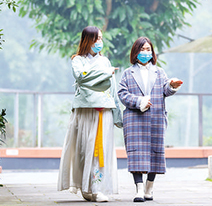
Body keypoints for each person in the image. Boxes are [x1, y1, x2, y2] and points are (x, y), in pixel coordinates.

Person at [58, 26, 121, 203]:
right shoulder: (77, 60)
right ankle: (85, 187)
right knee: (84, 148)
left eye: (101, 38)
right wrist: (105, 74)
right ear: (87, 40)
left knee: (100, 150)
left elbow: (113, 89)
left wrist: (117, 115)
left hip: (103, 111)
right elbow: (81, 78)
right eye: (96, 39)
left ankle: (97, 188)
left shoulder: (106, 61)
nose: (99, 42)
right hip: (84, 111)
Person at [118, 36, 184, 202]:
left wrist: (172, 86)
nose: (145, 52)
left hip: (156, 118)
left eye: (148, 49)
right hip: (134, 118)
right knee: (136, 154)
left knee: (155, 152)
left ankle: (149, 187)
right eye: (142, 49)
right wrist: (139, 101)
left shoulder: (160, 72)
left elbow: (165, 91)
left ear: (152, 52)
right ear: (135, 52)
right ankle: (139, 190)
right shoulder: (127, 73)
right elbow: (122, 94)